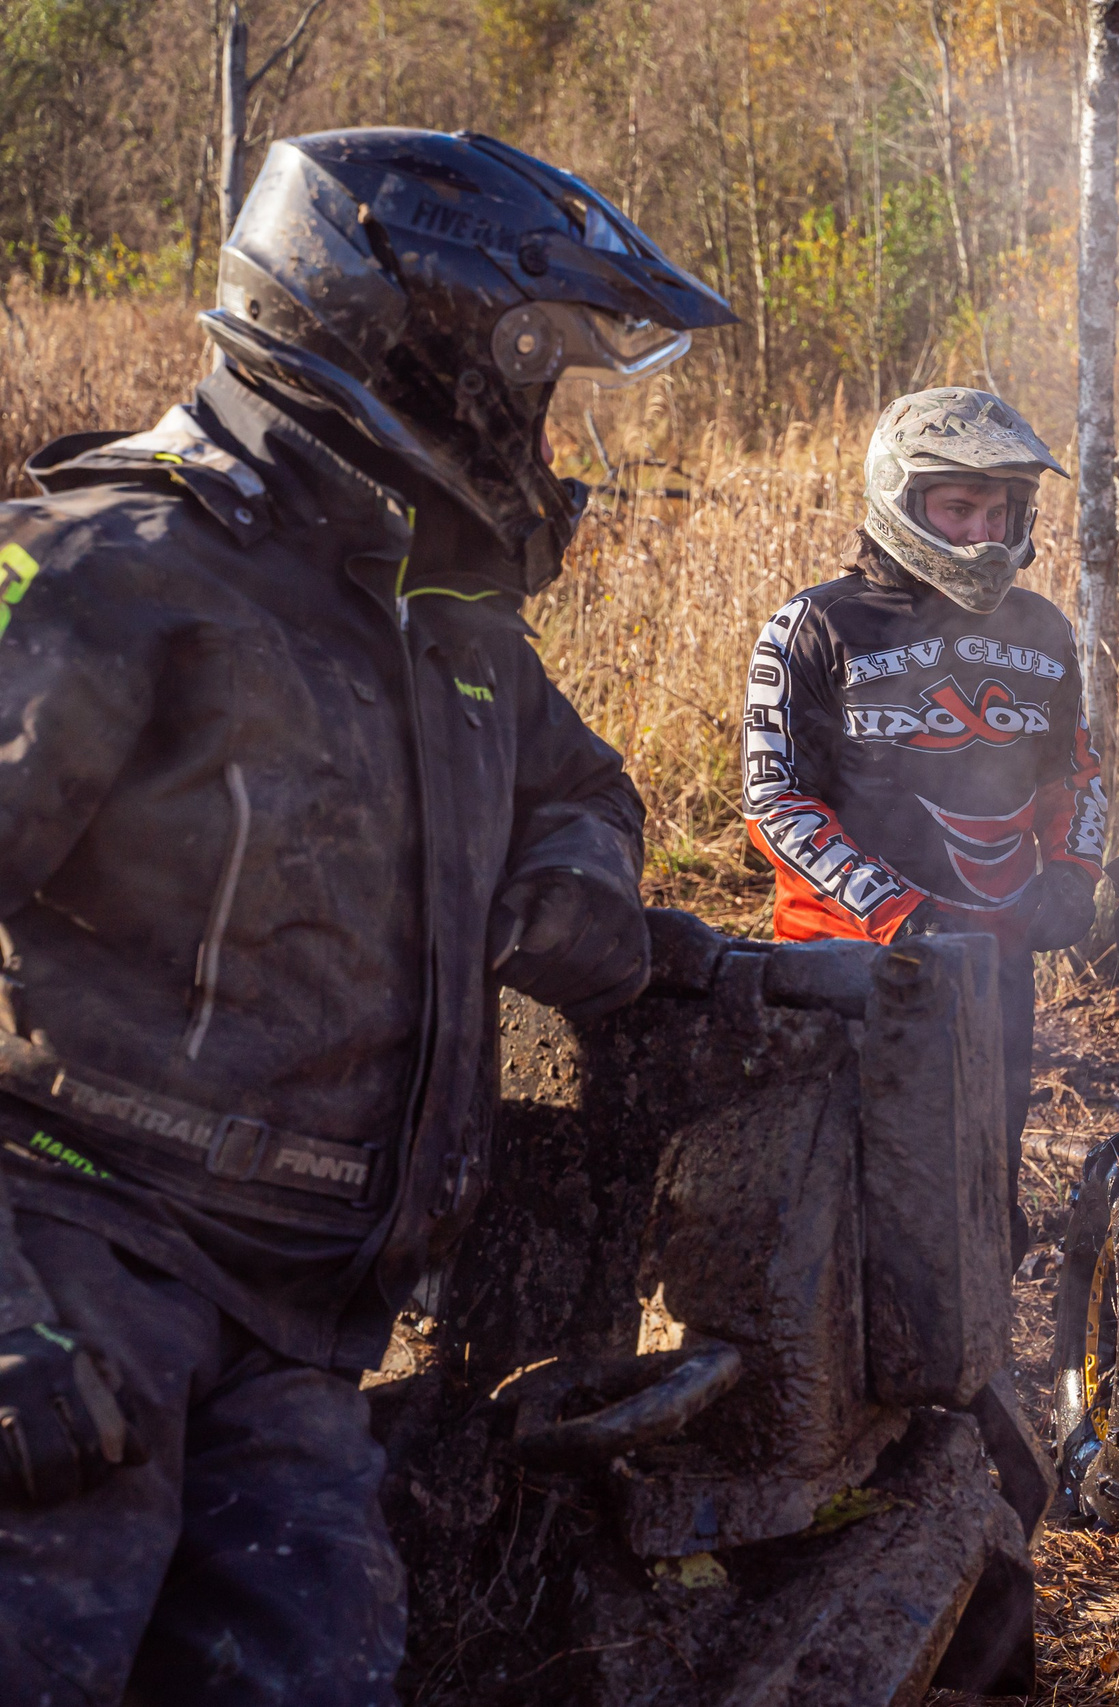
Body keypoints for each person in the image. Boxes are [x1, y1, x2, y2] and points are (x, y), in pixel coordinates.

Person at [0, 129, 732, 1703]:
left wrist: (580, 881)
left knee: (318, 1657)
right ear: (413, 334)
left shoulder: (447, 623)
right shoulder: (111, 568)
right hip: (70, 1253)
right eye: (532, 361)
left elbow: (586, 786)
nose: (541, 417)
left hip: (300, 1322)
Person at [741, 387, 1106, 1252]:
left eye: (1002, 508)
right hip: (846, 965)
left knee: (983, 1189)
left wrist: (1072, 872)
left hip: (991, 959)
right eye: (960, 505)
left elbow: (1076, 776)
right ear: (902, 499)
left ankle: (970, 1374)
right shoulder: (817, 625)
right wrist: (896, 908)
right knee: (844, 1202)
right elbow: (774, 797)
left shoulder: (1043, 629)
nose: (985, 530)